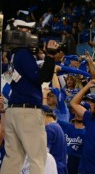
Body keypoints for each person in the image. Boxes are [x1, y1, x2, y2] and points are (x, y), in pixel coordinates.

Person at [0, 35, 59, 174]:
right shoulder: (24, 53)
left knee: (13, 159)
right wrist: (50, 55)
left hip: (13, 111)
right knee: (37, 158)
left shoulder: (14, 54)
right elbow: (41, 78)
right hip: (27, 112)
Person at [43, 106, 67, 174]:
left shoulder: (49, 128)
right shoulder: (56, 126)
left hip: (53, 168)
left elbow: (44, 153)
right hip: (60, 167)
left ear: (44, 114)